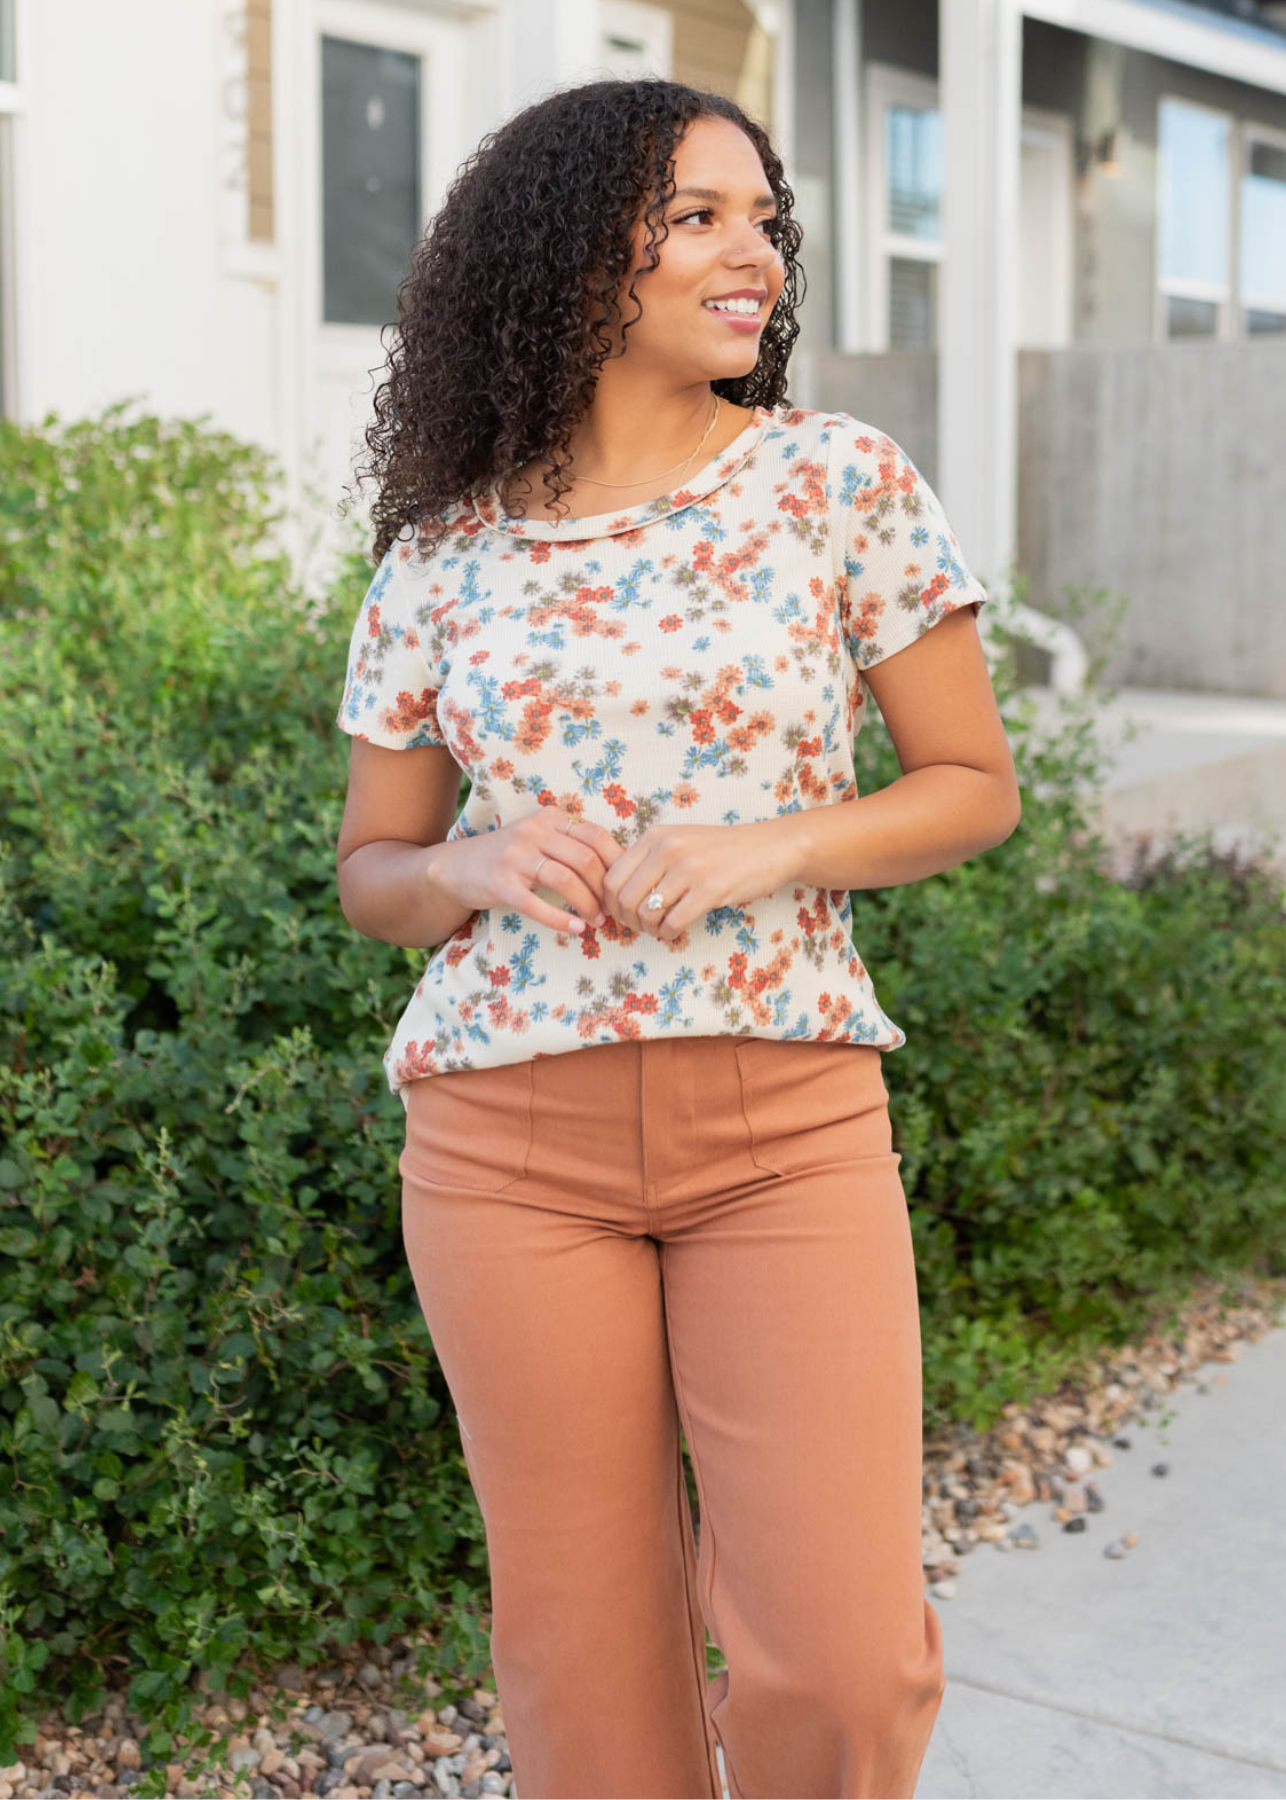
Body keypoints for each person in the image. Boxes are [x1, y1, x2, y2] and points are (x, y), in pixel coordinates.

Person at [334, 76, 1020, 1800]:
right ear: (570, 258)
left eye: (763, 220)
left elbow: (967, 784)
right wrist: (469, 869)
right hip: (502, 1146)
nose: (758, 257)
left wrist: (772, 843)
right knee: (583, 1664)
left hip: (780, 1129)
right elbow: (373, 872)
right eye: (701, 218)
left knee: (844, 1664)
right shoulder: (440, 552)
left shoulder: (833, 482)